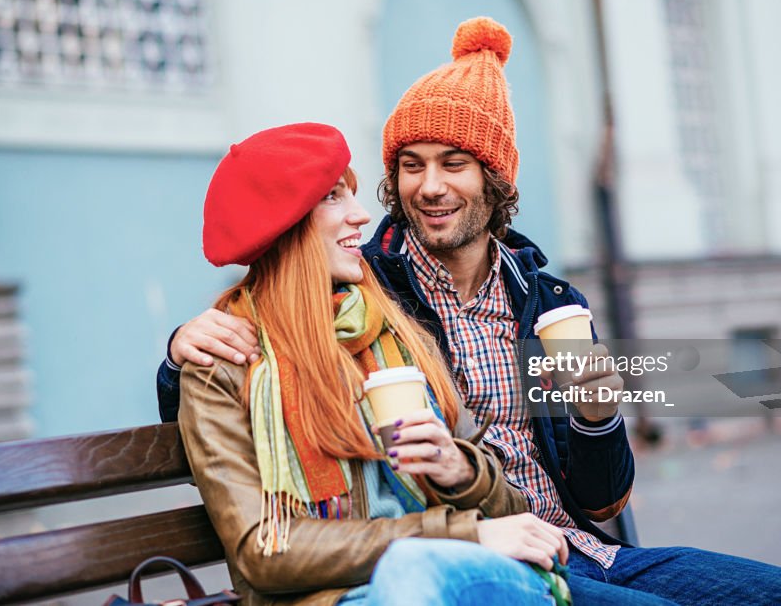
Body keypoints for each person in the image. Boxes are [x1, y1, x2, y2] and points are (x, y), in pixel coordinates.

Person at [162, 20, 781, 605]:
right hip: (485, 562)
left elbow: (603, 499)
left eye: (454, 163)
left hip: (578, 544)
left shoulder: (546, 300)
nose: (427, 187)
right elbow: (250, 354)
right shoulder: (373, 292)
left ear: (496, 181)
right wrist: (179, 347)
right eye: (410, 165)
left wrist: (595, 415)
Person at [177, 121, 573, 606]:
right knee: (412, 570)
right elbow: (264, 549)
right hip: (342, 597)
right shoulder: (227, 363)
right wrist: (454, 535)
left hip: (461, 578)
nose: (362, 216)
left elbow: (509, 507)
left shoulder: (393, 331)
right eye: (333, 198)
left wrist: (460, 469)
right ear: (285, 226)